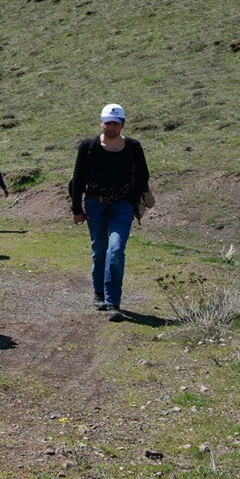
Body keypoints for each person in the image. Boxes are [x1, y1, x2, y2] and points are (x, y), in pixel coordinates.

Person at [70, 103, 150, 322]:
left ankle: (113, 302)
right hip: (95, 204)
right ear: (101, 123)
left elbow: (143, 176)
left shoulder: (133, 146)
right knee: (99, 249)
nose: (111, 127)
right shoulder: (88, 146)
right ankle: (99, 294)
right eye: (107, 123)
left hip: (123, 206)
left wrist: (129, 200)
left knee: (115, 250)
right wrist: (77, 208)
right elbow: (77, 179)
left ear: (123, 124)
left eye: (115, 123)